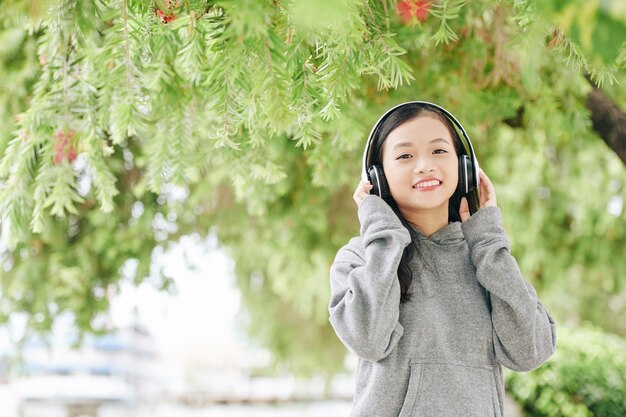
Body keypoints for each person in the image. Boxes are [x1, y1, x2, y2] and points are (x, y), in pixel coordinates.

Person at [328, 102, 556, 417]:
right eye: (405, 155)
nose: (425, 165)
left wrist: (488, 240)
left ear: (464, 167)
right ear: (377, 178)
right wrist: (381, 234)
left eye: (438, 151)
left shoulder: (485, 256)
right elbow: (367, 339)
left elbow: (529, 351)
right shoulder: (361, 257)